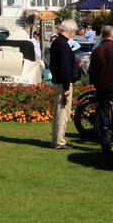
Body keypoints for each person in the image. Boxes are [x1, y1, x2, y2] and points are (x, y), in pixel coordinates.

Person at [48, 20, 79, 149]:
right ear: (70, 31)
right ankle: (60, 142)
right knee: (63, 113)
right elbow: (65, 67)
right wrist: (67, 87)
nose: (73, 34)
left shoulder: (56, 43)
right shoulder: (63, 45)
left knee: (58, 112)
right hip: (63, 83)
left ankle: (55, 140)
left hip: (57, 81)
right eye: (73, 31)